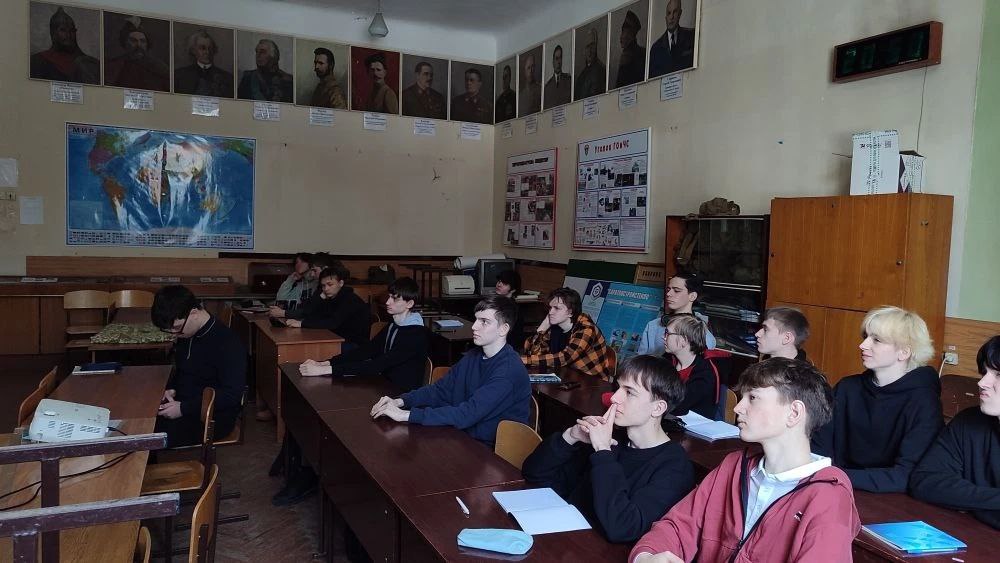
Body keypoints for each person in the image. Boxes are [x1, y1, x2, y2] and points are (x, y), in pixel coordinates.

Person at [630, 358, 860, 563]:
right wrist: (647, 556)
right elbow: (678, 525)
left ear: (794, 413)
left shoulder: (828, 498)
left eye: (753, 398)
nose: (738, 407)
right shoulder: (734, 466)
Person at [522, 355, 694, 542]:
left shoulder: (674, 466)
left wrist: (603, 451)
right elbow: (534, 474)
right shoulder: (613, 439)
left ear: (658, 408)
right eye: (618, 387)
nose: (614, 398)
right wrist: (570, 436)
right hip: (567, 538)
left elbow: (623, 527)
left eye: (629, 392)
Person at [811, 306, 942, 493]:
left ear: (904, 352)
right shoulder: (847, 388)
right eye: (865, 337)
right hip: (833, 486)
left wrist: (832, 476)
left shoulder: (924, 402)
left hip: (890, 498)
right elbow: (818, 449)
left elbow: (906, 475)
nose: (863, 345)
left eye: (877, 340)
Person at [370, 295, 530, 446]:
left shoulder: (508, 371)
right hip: (462, 436)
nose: (474, 326)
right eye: (476, 319)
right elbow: (440, 390)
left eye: (484, 322)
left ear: (503, 329)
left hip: (490, 451)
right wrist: (401, 401)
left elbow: (467, 414)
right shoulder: (473, 355)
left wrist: (405, 415)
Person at [909, 336, 1000, 529]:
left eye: (998, 375)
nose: (982, 382)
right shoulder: (968, 422)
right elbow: (925, 481)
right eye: (985, 372)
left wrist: (968, 503)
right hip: (970, 536)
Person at [151, 285, 246, 447]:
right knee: (140, 422)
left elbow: (231, 395)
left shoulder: (228, 342)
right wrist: (172, 389)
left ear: (194, 314)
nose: (175, 335)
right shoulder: (187, 334)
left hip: (213, 417)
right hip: (186, 404)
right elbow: (183, 372)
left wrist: (183, 408)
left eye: (177, 328)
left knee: (147, 434)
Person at [299, 277, 429, 392]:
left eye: (395, 299)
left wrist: (326, 370)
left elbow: (377, 365)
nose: (388, 302)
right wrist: (326, 363)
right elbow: (367, 350)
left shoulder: (416, 334)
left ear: (409, 304)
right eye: (389, 296)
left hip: (400, 393)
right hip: (384, 384)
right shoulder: (395, 324)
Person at [522, 287, 612, 379]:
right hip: (566, 376)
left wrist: (525, 360)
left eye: (557, 308)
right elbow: (535, 354)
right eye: (550, 308)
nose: (550, 312)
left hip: (592, 382)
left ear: (570, 312)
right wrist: (542, 329)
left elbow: (566, 357)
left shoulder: (586, 329)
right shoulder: (555, 326)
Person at [274, 264, 370, 348]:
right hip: (336, 338)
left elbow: (333, 323)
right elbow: (311, 312)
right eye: (323, 286)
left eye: (330, 285)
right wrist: (320, 298)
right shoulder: (329, 296)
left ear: (341, 283)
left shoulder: (349, 299)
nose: (326, 289)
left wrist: (301, 324)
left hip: (354, 343)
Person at [638, 273, 716, 356]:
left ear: (692, 296)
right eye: (668, 289)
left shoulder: (705, 336)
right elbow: (640, 360)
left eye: (676, 291)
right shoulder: (652, 326)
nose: (668, 294)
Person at [662, 313, 719, 419]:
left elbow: (677, 407)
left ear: (683, 340)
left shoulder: (704, 375)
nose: (663, 337)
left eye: (667, 333)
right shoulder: (667, 358)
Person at [30, 7, 99, 84]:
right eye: (63, 30)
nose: (68, 35)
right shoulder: (37, 61)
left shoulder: (89, 63)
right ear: (53, 32)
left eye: (72, 30)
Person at [105, 17, 170, 91]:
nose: (139, 45)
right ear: (125, 43)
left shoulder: (160, 67)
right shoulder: (114, 66)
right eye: (133, 40)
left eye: (142, 41)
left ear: (147, 44)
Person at [173, 29, 234, 97]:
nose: (207, 52)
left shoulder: (227, 78)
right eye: (202, 48)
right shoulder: (179, 75)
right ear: (193, 50)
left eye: (210, 48)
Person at [648, 0, 696, 77]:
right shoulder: (656, 48)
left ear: (680, 14)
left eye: (675, 12)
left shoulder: (691, 36)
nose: (671, 17)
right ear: (665, 18)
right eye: (669, 13)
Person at [494, 270, 525, 352]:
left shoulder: (511, 308)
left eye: (504, 283)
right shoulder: (498, 302)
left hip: (507, 346)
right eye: (499, 281)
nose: (499, 284)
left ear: (513, 289)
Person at [614, 10, 646, 88]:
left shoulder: (628, 55)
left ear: (630, 35)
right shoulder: (641, 52)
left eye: (623, 32)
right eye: (622, 32)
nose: (621, 37)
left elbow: (620, 84)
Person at [575, 27, 606, 100]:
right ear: (584, 51)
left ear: (596, 47)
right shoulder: (581, 75)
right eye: (587, 47)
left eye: (592, 45)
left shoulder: (600, 70)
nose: (589, 50)